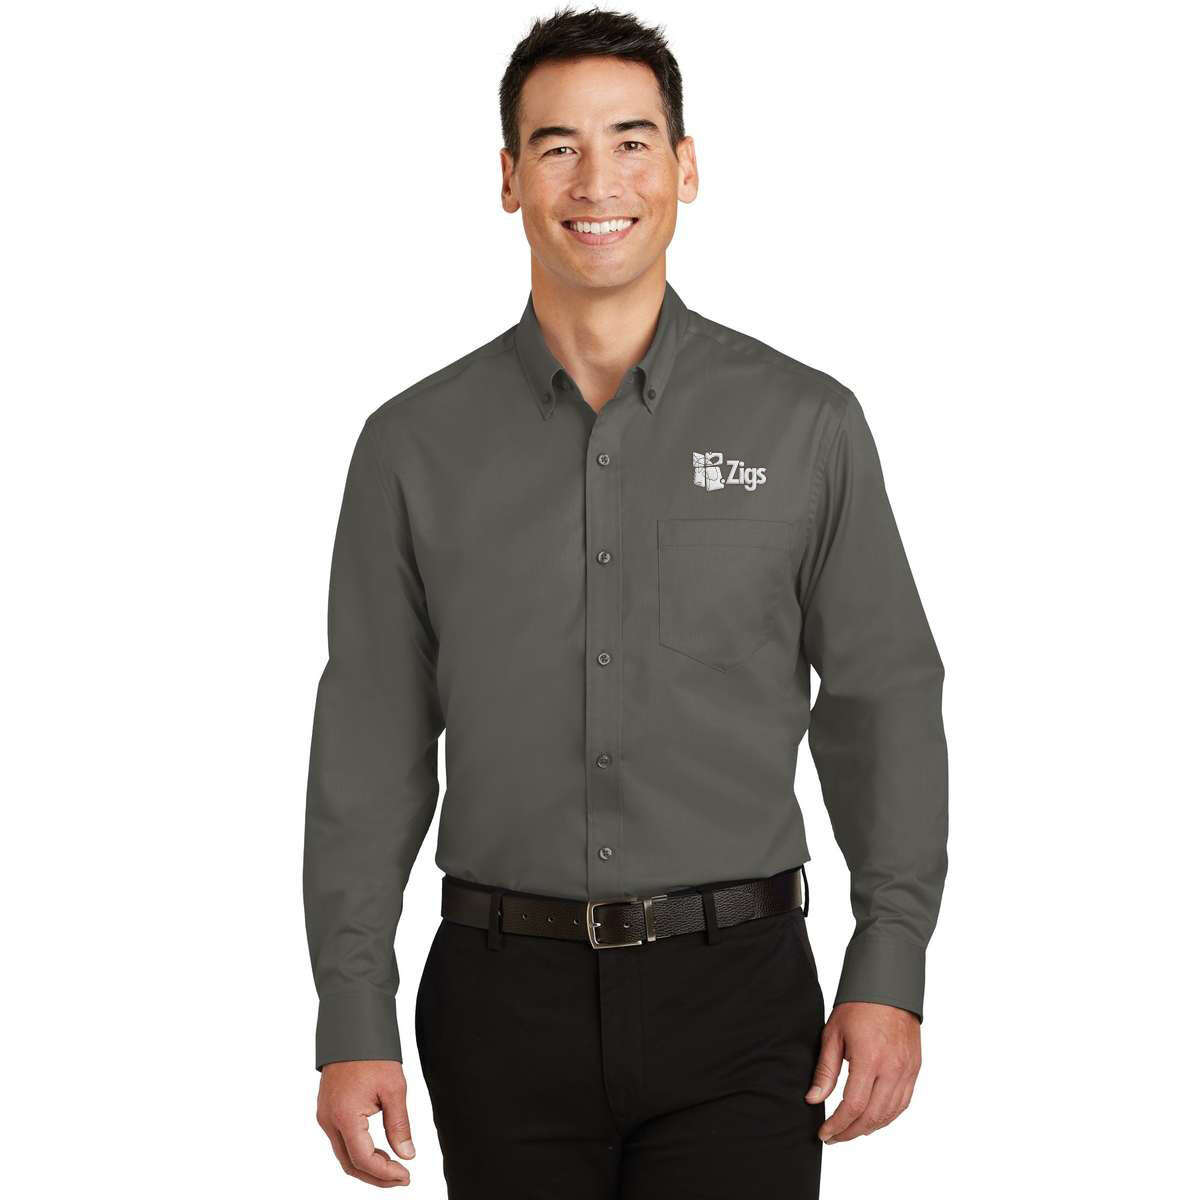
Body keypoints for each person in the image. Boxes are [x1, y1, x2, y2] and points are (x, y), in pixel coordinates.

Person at [303, 8, 948, 1197]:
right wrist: (352, 1010)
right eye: (557, 146)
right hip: (501, 1001)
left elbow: (883, 696)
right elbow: (369, 741)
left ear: (686, 167)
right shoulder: (411, 447)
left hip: (740, 996)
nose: (596, 182)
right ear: (509, 178)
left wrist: (889, 964)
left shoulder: (805, 425)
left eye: (632, 141)